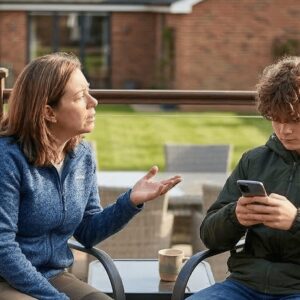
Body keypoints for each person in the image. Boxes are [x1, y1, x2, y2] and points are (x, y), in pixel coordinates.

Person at [0, 52, 181, 300]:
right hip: (7, 278)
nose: (93, 101)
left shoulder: (81, 155)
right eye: (79, 97)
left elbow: (87, 231)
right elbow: (3, 248)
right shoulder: (7, 159)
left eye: (89, 91)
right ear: (49, 113)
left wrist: (129, 202)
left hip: (52, 275)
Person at [187, 56, 300, 300]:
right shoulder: (254, 160)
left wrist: (295, 220)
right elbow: (209, 236)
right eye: (276, 119)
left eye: (295, 120)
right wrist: (235, 216)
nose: (284, 130)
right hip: (243, 286)